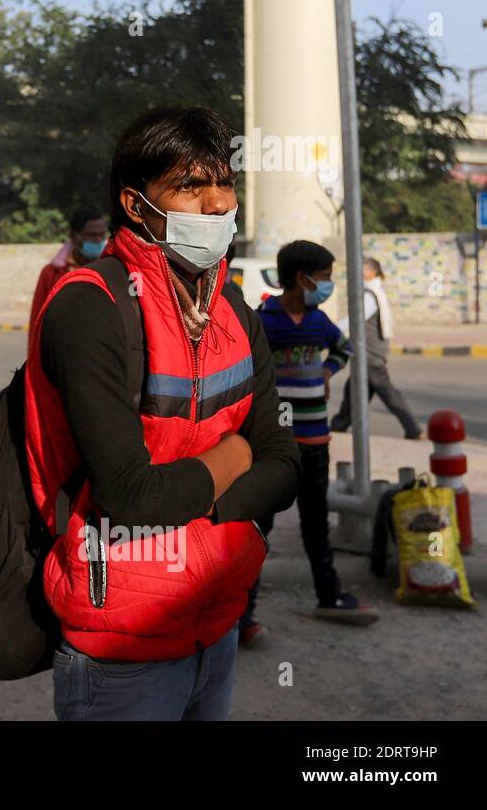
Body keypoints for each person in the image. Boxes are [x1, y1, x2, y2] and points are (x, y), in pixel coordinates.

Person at [29, 106, 300, 720]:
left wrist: (195, 500)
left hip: (218, 618)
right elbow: (130, 494)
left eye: (224, 184)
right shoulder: (92, 308)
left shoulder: (233, 308)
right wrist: (237, 455)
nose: (215, 205)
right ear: (135, 203)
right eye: (190, 185)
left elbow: (286, 463)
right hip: (122, 647)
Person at [241, 240, 378, 637]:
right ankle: (242, 613)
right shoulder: (263, 320)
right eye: (325, 278)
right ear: (302, 279)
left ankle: (329, 595)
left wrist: (328, 372)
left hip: (315, 444)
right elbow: (243, 364)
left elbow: (344, 348)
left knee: (316, 524)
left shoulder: (320, 323)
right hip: (272, 445)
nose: (328, 285)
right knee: (258, 527)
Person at [329, 257, 422, 440]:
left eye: (360, 270)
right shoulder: (375, 291)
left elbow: (353, 318)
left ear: (370, 272)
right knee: (353, 391)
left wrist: (331, 331)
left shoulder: (369, 295)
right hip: (368, 353)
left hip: (369, 354)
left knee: (388, 392)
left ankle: (413, 429)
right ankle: (338, 425)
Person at [28, 209, 108, 329]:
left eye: (102, 235)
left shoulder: (112, 269)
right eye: (93, 235)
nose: (99, 240)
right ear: (74, 237)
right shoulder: (51, 273)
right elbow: (37, 320)